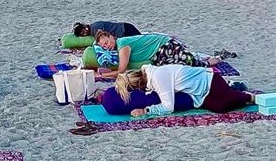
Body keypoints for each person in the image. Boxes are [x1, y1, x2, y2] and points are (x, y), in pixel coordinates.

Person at [115, 64, 254, 117]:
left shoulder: (157, 78)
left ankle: (246, 96)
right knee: (218, 107)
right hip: (199, 93)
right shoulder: (151, 77)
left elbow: (168, 107)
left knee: (226, 104)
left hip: (210, 81)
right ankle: (232, 88)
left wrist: (146, 111)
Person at [92, 30, 220, 79]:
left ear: (111, 37)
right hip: (157, 56)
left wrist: (101, 75)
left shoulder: (122, 44)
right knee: (179, 69)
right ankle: (206, 59)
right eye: (104, 46)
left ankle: (216, 59)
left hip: (165, 45)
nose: (106, 46)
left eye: (106, 42)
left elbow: (121, 70)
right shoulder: (116, 49)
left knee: (197, 65)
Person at [73, 21, 142, 38]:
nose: (84, 33)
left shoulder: (96, 27)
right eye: (82, 34)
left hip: (125, 29)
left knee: (140, 40)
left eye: (83, 31)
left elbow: (106, 38)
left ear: (84, 27)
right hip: (123, 33)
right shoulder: (93, 33)